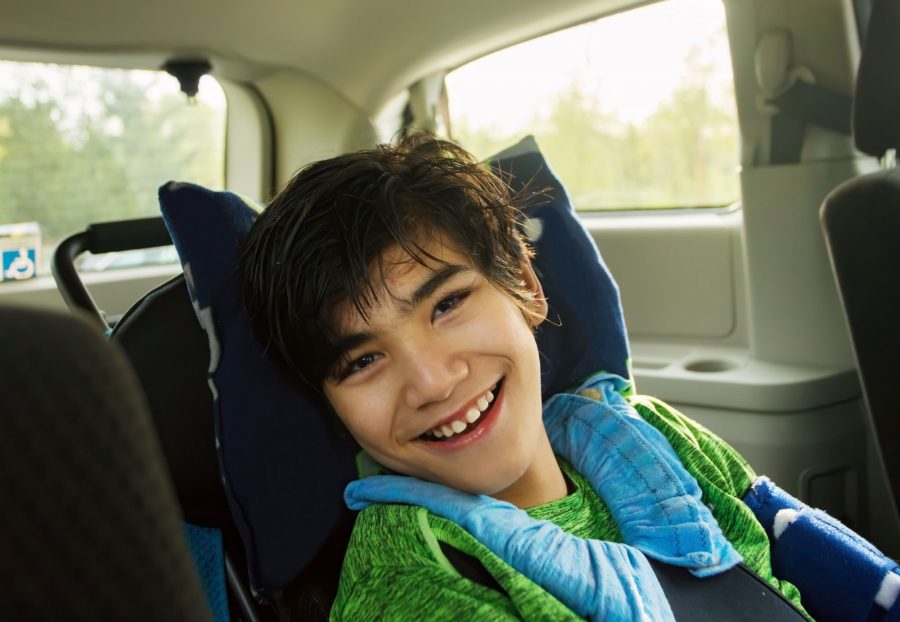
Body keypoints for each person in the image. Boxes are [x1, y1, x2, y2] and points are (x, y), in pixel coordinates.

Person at [239, 135, 898, 621]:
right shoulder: (414, 583)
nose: (433, 382)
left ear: (524, 284)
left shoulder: (647, 438)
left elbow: (845, 573)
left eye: (447, 304)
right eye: (361, 361)